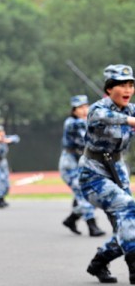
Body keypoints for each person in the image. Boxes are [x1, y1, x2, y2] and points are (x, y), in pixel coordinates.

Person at [80, 64, 135, 285]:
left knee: (128, 221)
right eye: (122, 85)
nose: (127, 89)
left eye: (130, 85)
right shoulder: (97, 109)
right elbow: (103, 116)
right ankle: (134, 265)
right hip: (93, 174)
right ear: (110, 88)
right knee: (127, 207)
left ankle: (99, 262)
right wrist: (129, 121)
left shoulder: (131, 109)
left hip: (118, 171)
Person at [58, 95, 105, 237]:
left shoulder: (86, 122)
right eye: (80, 107)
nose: (84, 110)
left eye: (86, 106)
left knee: (91, 195)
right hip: (69, 164)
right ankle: (92, 226)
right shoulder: (72, 123)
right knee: (83, 194)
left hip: (83, 162)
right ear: (73, 110)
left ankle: (71, 219)